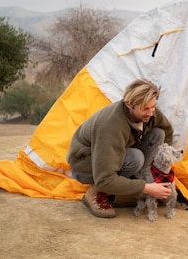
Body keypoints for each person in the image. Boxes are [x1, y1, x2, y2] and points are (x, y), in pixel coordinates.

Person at [67, 78, 175, 218]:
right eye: (145, 109)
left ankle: (134, 185)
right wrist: (147, 188)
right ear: (129, 105)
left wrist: (163, 167)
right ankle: (95, 193)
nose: (150, 112)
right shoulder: (111, 126)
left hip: (117, 154)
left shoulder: (149, 111)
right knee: (135, 158)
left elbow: (167, 131)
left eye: (153, 106)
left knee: (158, 134)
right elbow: (105, 178)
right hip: (87, 165)